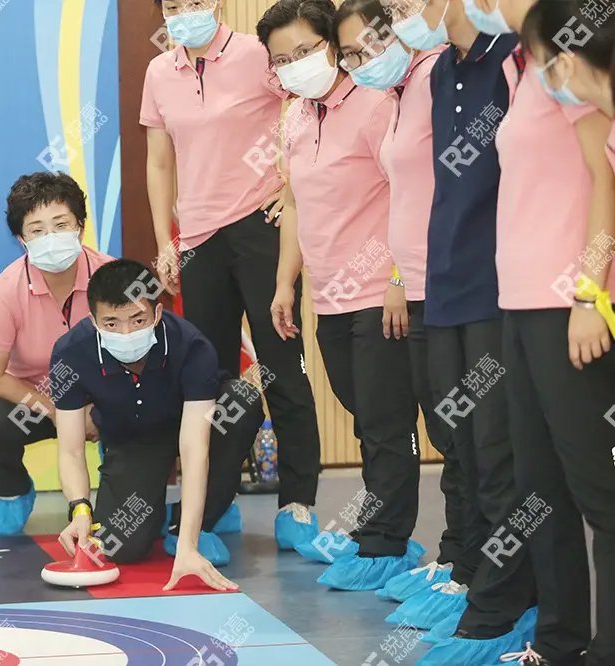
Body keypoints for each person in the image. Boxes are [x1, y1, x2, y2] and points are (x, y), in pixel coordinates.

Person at [143, 0, 323, 549]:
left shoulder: (255, 53)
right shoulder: (159, 71)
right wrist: (165, 241)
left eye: (195, 1)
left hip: (259, 227)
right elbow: (159, 161)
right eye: (174, 5)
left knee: (281, 368)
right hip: (198, 239)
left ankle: (297, 503)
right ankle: (216, 502)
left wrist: (290, 187)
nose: (186, 11)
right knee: (211, 381)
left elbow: (310, 106)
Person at [260, 0, 424, 591]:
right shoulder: (295, 116)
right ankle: (383, 531)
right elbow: (294, 202)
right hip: (328, 298)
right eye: (282, 60)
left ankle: (385, 542)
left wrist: (401, 279)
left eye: (305, 50)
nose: (296, 65)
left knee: (385, 423)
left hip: (381, 293)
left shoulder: (378, 103)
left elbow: (410, 192)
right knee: (363, 415)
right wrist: (285, 282)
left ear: (331, 44)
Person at [480, 2, 615, 664]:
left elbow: (604, 182)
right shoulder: (528, 69)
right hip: (522, 304)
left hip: (570, 307)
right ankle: (561, 641)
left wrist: (590, 291)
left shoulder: (573, 67)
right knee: (539, 487)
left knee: (598, 489)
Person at [331, 0, 460, 605]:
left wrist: (397, 281)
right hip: (421, 285)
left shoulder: (436, 75)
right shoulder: (400, 92)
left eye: (372, 42)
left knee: (463, 437)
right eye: (351, 55)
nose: (364, 60)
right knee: (447, 432)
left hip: (451, 286)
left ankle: (468, 568)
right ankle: (457, 560)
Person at [51, 259, 262, 572]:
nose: (126, 333)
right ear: (94, 322)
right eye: (112, 324)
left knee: (242, 400)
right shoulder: (70, 353)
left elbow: (194, 448)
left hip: (191, 424)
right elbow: (71, 450)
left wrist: (188, 545)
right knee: (122, 545)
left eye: (138, 320)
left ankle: (201, 518)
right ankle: (159, 513)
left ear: (157, 313)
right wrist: (80, 510)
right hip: (133, 440)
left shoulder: (190, 345)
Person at [0, 172, 113, 537]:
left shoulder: (112, 278)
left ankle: (121, 490)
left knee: (138, 411)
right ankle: (12, 491)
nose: (51, 237)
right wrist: (57, 412)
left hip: (103, 403)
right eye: (37, 229)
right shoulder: (6, 289)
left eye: (61, 224)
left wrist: (93, 410)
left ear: (80, 227)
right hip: (36, 404)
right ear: (21, 240)